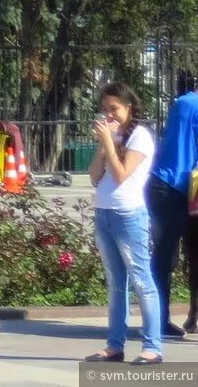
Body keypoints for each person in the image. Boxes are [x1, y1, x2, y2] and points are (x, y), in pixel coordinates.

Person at [91, 79, 167, 364]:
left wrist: (110, 142)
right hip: (104, 212)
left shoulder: (140, 137)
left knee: (142, 281)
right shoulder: (113, 137)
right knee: (115, 282)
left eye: (114, 109)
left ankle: (152, 347)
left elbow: (122, 174)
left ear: (129, 107)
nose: (109, 115)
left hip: (129, 214)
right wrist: (103, 145)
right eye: (105, 109)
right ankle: (114, 346)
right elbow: (95, 175)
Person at [152, 75, 198, 339]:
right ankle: (158, 320)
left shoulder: (184, 102)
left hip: (176, 187)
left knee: (166, 256)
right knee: (165, 257)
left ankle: (162, 318)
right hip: (172, 187)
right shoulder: (191, 104)